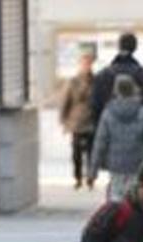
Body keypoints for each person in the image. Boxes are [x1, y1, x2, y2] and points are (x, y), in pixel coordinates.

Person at [91, 32, 143, 154]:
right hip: (138, 135)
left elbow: (94, 107)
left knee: (116, 168)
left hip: (112, 135)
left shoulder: (102, 75)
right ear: (135, 47)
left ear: (119, 46)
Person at [90, 74, 143, 201]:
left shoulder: (108, 113)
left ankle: (118, 218)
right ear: (133, 89)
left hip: (115, 165)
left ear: (116, 90)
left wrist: (93, 171)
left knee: (116, 199)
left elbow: (100, 143)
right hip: (138, 163)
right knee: (135, 198)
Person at [60, 52, 95, 190]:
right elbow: (65, 101)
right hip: (76, 122)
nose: (86, 66)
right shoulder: (73, 81)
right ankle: (78, 177)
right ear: (80, 65)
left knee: (92, 153)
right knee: (76, 153)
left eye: (89, 63)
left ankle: (90, 178)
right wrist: (64, 121)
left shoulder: (96, 80)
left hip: (92, 121)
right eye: (84, 63)